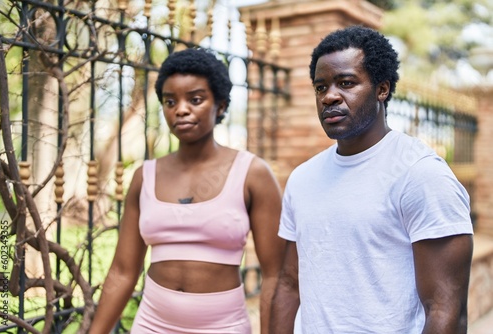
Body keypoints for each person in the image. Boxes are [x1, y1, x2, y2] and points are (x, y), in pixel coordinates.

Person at [269, 25, 473, 334]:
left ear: (382, 89)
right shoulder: (302, 178)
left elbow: (445, 310)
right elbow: (288, 283)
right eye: (321, 87)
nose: (329, 97)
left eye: (346, 83)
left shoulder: (420, 174)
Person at [89, 48, 285, 334]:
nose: (180, 109)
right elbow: (122, 271)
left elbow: (276, 275)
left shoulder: (252, 173)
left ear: (220, 105)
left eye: (195, 99)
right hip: (152, 325)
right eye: (170, 101)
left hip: (223, 327)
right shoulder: (145, 177)